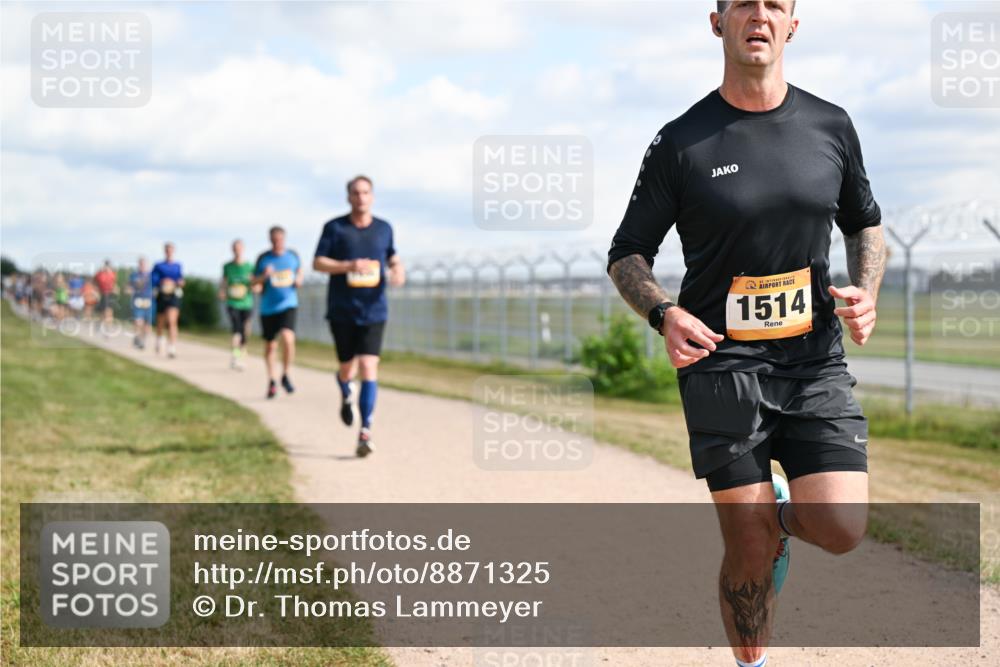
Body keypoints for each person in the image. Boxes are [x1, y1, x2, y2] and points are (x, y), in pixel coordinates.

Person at [606, 2, 888, 665]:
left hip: (813, 361)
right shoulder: (682, 142)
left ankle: (780, 514)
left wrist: (867, 291)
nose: (758, 15)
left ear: (792, 26)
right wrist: (663, 312)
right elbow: (627, 253)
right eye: (743, 4)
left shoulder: (831, 125)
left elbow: (864, 222)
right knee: (748, 544)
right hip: (721, 363)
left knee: (842, 526)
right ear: (718, 23)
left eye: (774, 5)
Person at [313, 175, 405, 458]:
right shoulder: (335, 228)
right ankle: (345, 388)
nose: (361, 197)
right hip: (342, 310)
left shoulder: (384, 228)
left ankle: (365, 431)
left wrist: (397, 269)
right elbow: (318, 262)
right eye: (356, 193)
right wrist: (348, 266)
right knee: (347, 368)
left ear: (372, 196)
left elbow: (392, 255)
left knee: (368, 365)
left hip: (374, 310)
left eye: (365, 192)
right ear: (348, 197)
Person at [252, 226, 303, 399]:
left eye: (280, 240)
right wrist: (264, 277)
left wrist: (299, 279)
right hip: (268, 308)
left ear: (284, 239)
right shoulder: (263, 258)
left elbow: (300, 272)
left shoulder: (293, 256)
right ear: (270, 240)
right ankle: (272, 380)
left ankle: (286, 374)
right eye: (274, 240)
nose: (277, 243)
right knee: (271, 345)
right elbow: (254, 282)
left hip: (288, 304)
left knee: (288, 338)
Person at [219, 239, 257, 370]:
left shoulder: (250, 266)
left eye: (239, 248)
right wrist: (222, 291)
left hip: (246, 303)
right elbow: (224, 282)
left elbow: (255, 283)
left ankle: (243, 350)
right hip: (232, 303)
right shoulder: (227, 267)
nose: (237, 251)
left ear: (243, 249)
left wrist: (256, 287)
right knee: (236, 330)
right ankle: (236, 356)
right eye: (235, 248)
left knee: (246, 329)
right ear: (232, 250)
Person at [151, 242, 184, 358]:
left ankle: (171, 347)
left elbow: (180, 279)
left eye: (171, 250)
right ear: (165, 251)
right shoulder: (158, 265)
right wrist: (162, 281)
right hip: (161, 294)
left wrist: (180, 282)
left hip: (173, 295)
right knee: (161, 321)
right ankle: (159, 338)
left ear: (173, 251)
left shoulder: (178, 266)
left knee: (172, 321)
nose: (169, 252)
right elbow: (153, 279)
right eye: (167, 250)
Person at [128, 258, 154, 349]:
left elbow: (156, 285)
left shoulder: (151, 275)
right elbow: (129, 286)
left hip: (148, 301)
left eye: (144, 264)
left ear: (147, 265)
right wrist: (129, 289)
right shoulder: (134, 275)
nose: (142, 266)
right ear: (138, 265)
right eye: (141, 264)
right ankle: (137, 337)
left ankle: (142, 341)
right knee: (138, 321)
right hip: (137, 300)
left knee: (147, 324)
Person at [94, 259, 118, 333]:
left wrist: (115, 288)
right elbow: (97, 282)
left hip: (111, 294)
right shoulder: (100, 273)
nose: (107, 267)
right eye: (106, 265)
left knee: (109, 311)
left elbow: (114, 283)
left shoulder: (113, 273)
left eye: (108, 265)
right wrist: (96, 291)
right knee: (104, 312)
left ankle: (108, 327)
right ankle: (101, 323)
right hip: (104, 294)